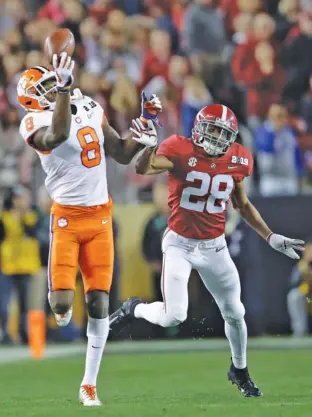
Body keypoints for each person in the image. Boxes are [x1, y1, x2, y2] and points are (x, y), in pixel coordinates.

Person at [110, 103, 305, 397]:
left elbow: (241, 204)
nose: (216, 137)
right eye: (212, 129)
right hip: (180, 243)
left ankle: (239, 369)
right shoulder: (179, 148)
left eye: (223, 132)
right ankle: (133, 308)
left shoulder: (238, 157)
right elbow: (144, 167)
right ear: (199, 128)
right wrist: (148, 147)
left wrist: (269, 236)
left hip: (215, 246)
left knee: (235, 312)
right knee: (174, 315)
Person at [17, 53, 161, 406]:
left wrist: (144, 125)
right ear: (32, 100)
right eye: (47, 87)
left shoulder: (87, 105)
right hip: (66, 218)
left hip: (100, 217)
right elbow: (59, 133)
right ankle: (61, 308)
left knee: (99, 302)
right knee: (61, 305)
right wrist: (65, 91)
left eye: (55, 83)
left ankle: (89, 384)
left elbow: (121, 154)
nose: (54, 88)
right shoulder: (32, 122)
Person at [0, 185, 40, 345]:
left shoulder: (32, 215)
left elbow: (32, 232)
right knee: (3, 303)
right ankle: (4, 333)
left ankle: (23, 334)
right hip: (7, 266)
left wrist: (23, 214)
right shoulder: (5, 216)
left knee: (24, 305)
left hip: (25, 266)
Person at [287, 237, 312, 336]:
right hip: (309, 298)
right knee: (294, 296)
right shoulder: (301, 266)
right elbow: (292, 284)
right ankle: (300, 330)